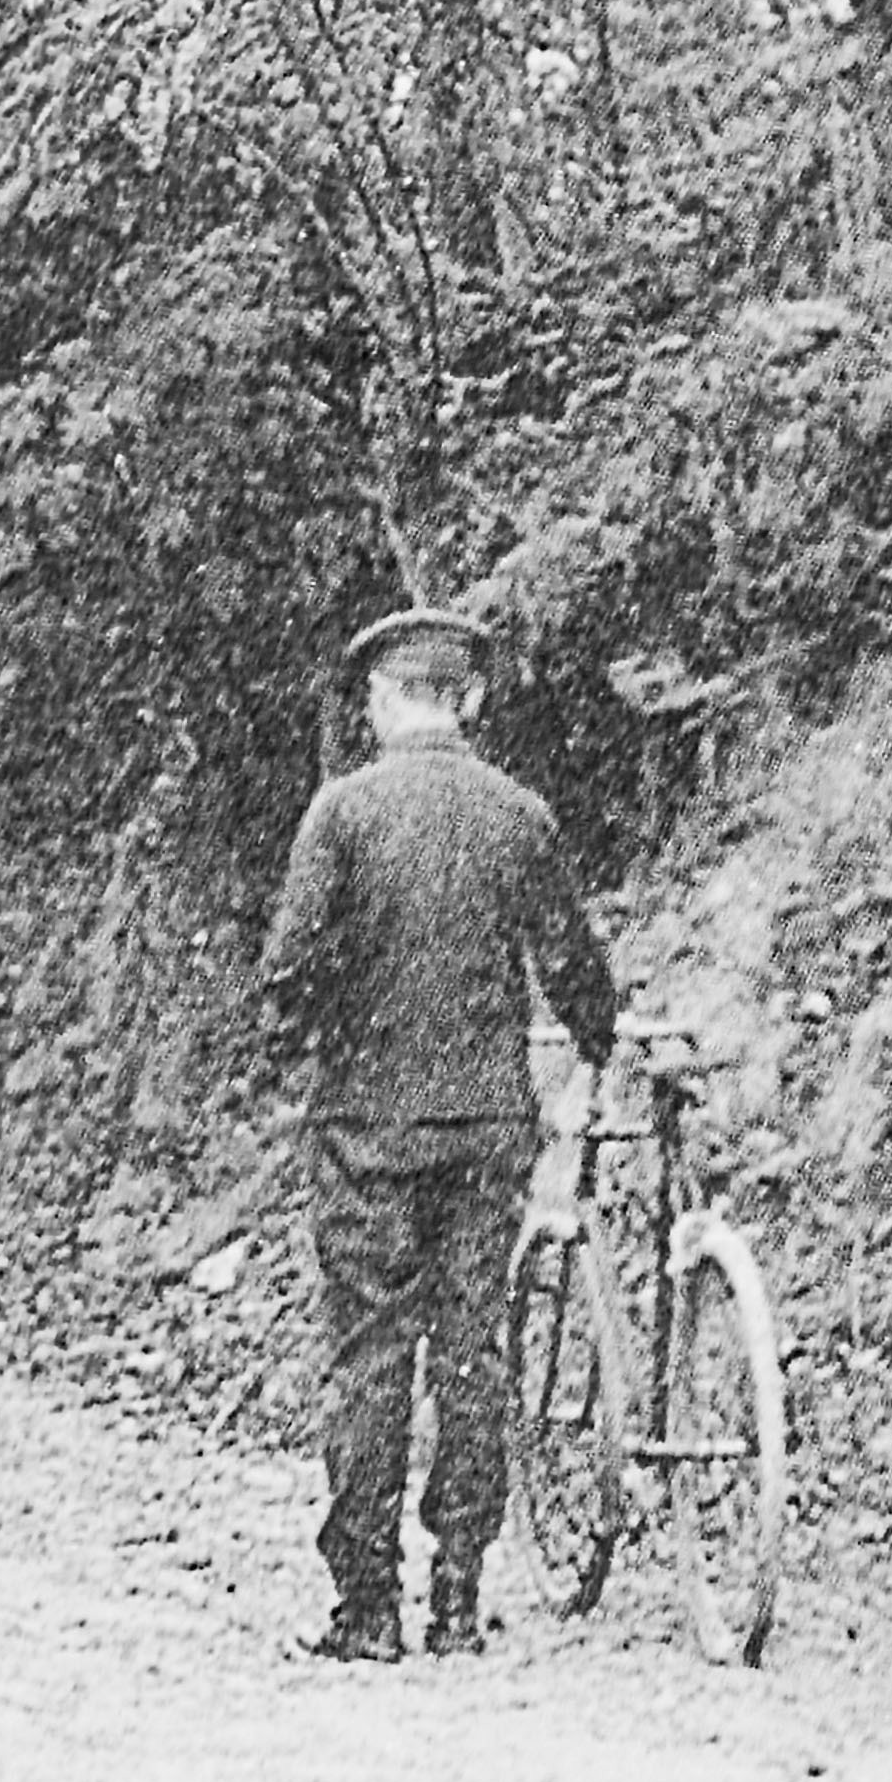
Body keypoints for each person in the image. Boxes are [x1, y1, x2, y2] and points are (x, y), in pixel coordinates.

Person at [252, 599, 620, 1662]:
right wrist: (597, 1041)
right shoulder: (518, 815)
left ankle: (368, 1607)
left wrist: (302, 1044)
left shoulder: (342, 814)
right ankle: (458, 1597)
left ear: (381, 702)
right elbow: (573, 967)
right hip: (487, 1129)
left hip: (368, 1128)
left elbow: (286, 975)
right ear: (473, 700)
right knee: (473, 1350)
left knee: (370, 1353)